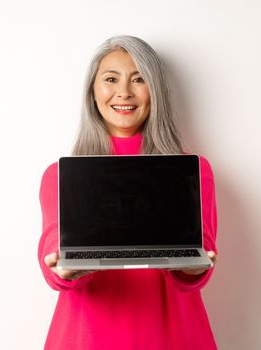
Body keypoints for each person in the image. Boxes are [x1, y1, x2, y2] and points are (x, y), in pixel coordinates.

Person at [37, 35, 219, 349]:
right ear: (92, 93)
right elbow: (53, 241)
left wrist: (192, 267)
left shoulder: (194, 171)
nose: (124, 92)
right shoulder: (59, 175)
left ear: (155, 92)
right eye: (111, 79)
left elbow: (202, 251)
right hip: (87, 337)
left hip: (171, 336)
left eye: (139, 79)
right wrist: (62, 267)